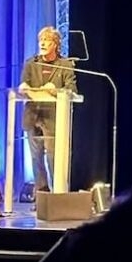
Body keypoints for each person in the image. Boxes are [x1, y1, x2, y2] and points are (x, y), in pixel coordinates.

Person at [17, 26, 77, 193]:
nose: (42, 44)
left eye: (47, 41)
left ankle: (58, 194)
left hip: (53, 118)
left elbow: (72, 90)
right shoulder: (31, 63)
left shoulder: (65, 65)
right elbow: (23, 84)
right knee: (36, 159)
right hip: (33, 116)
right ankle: (42, 194)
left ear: (55, 44)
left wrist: (56, 90)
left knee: (53, 157)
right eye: (41, 41)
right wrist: (23, 87)